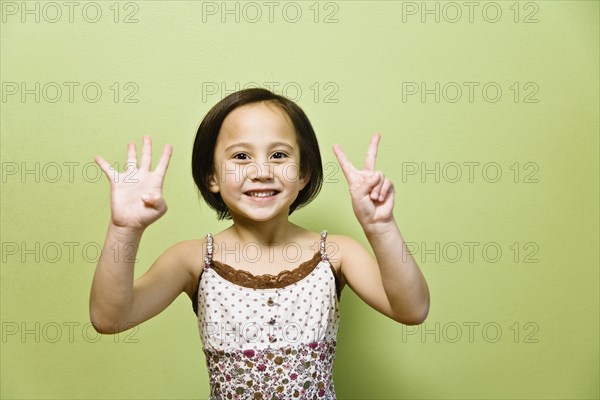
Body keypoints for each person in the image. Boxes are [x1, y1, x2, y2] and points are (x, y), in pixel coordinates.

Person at [90, 88, 430, 399]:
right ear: (211, 176)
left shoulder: (336, 253)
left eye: (279, 155)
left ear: (304, 173)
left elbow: (412, 309)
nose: (261, 171)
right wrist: (124, 229)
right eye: (240, 157)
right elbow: (109, 319)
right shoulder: (192, 259)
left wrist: (380, 226)